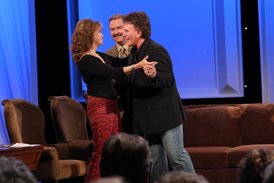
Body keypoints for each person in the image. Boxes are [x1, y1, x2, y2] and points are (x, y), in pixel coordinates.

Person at [71, 18, 155, 182]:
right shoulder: (86, 59)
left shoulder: (100, 55)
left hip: (111, 105)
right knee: (102, 148)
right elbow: (112, 73)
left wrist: (135, 43)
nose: (103, 35)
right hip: (100, 107)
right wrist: (137, 66)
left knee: (112, 151)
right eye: (99, 32)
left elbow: (123, 61)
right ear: (89, 35)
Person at [122, 11, 195, 182]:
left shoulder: (155, 50)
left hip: (166, 115)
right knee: (155, 159)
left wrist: (154, 74)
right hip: (149, 118)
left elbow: (168, 78)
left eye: (126, 31)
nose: (123, 34)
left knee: (176, 156)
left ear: (138, 32)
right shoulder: (133, 54)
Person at [105, 14, 133, 133]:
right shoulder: (107, 55)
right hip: (120, 110)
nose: (116, 32)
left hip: (139, 108)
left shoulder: (137, 49)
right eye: (112, 29)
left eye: (119, 28)